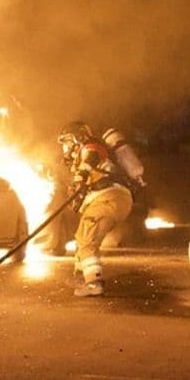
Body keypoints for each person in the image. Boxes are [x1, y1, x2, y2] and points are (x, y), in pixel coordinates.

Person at [59, 121, 144, 297]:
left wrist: (81, 175)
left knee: (88, 239)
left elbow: (92, 154)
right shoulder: (82, 156)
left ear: (77, 137)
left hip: (109, 197)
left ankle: (93, 283)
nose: (65, 147)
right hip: (107, 199)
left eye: (67, 141)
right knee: (82, 237)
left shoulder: (90, 147)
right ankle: (81, 275)